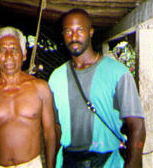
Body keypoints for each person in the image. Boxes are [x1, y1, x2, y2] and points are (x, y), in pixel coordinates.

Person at [48, 9, 146, 168]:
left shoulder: (117, 73)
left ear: (91, 32)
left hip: (107, 162)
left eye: (80, 30)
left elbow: (137, 126)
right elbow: (54, 129)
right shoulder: (56, 78)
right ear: (63, 35)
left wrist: (133, 163)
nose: (74, 37)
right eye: (68, 31)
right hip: (68, 162)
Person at [0, 26, 56, 168]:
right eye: (2, 50)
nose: (8, 56)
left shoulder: (40, 88)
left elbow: (49, 134)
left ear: (24, 55)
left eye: (14, 49)